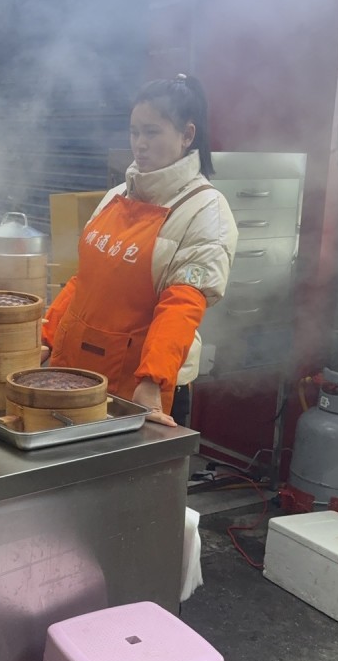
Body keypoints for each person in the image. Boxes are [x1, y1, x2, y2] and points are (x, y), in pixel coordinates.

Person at [42, 74, 238, 427]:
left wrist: (151, 382)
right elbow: (85, 282)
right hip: (75, 374)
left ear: (187, 135)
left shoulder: (205, 210)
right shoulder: (116, 196)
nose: (139, 144)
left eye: (152, 132)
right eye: (134, 132)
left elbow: (182, 306)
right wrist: (47, 336)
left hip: (137, 390)